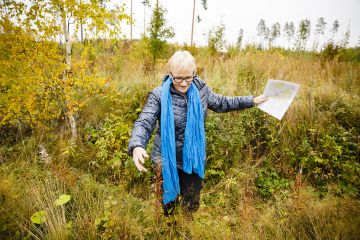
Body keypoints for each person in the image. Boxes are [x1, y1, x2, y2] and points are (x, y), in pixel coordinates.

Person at [128, 50, 268, 216]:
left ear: (194, 74)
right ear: (170, 74)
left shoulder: (201, 91)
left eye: (188, 77)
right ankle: (168, 228)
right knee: (167, 207)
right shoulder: (158, 95)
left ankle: (186, 228)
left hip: (193, 160)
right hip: (165, 160)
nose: (183, 83)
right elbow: (145, 121)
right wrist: (137, 145)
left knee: (191, 205)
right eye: (178, 78)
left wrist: (252, 100)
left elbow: (223, 103)